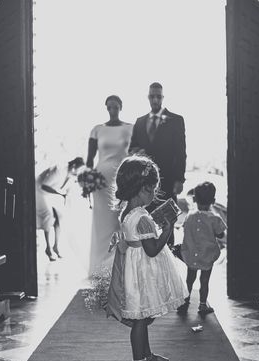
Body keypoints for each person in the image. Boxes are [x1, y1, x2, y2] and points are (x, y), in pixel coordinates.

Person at [114, 155, 187, 361]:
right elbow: (153, 249)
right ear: (143, 189)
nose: (155, 194)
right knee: (141, 318)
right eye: (153, 189)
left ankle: (146, 355)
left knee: (143, 317)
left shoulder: (128, 211)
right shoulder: (142, 217)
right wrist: (168, 228)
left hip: (136, 268)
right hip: (143, 272)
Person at [129, 82, 187, 246]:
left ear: (162, 97)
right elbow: (131, 148)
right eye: (152, 96)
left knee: (167, 222)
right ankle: (147, 260)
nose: (155, 99)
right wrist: (136, 152)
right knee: (144, 223)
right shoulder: (139, 122)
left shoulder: (176, 120)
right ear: (148, 97)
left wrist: (180, 180)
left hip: (167, 182)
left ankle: (168, 262)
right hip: (143, 183)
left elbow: (181, 152)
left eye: (158, 96)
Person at [86, 95, 133, 275]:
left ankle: (120, 264)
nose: (112, 110)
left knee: (119, 220)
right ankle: (99, 266)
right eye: (109, 107)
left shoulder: (130, 128)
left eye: (115, 107)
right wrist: (87, 178)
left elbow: (135, 151)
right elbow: (89, 159)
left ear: (120, 107)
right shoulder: (97, 129)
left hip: (122, 178)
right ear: (106, 108)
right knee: (102, 224)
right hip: (100, 181)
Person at [177, 181, 227, 315]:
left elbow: (185, 231)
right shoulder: (214, 218)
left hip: (191, 254)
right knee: (204, 281)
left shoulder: (189, 216)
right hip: (207, 255)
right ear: (214, 201)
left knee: (189, 280)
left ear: (194, 199)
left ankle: (185, 302)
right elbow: (221, 234)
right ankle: (202, 305)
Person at [35, 157, 84, 261]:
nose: (78, 173)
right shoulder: (59, 169)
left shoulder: (71, 175)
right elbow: (44, 186)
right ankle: (48, 248)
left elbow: (66, 191)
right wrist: (60, 193)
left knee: (60, 216)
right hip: (38, 190)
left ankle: (56, 246)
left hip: (49, 194)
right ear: (74, 166)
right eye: (78, 169)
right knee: (48, 214)